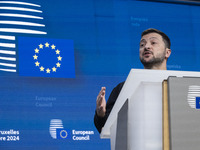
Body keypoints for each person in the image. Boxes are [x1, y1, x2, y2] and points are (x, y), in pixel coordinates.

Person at [94, 28, 172, 133]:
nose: (147, 47)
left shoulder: (180, 86)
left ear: (167, 53)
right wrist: (101, 113)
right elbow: (105, 127)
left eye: (153, 43)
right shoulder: (124, 88)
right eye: (142, 45)